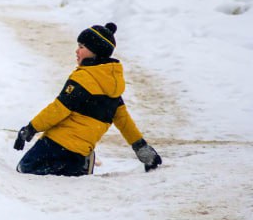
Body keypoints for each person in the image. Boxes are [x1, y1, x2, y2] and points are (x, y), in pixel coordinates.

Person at [13, 22, 163, 176]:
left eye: (82, 47)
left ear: (95, 51)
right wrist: (141, 148)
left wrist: (30, 129)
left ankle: (82, 162)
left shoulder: (83, 78)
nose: (77, 51)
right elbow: (124, 121)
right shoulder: (112, 84)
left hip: (55, 146)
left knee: (23, 170)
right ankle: (85, 162)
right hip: (79, 154)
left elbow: (58, 109)